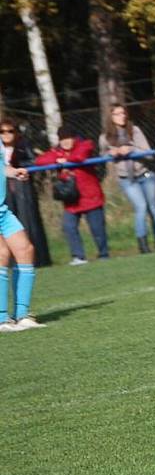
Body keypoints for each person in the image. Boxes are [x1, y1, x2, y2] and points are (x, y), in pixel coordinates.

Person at [36, 127, 109, 265]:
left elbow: (80, 156)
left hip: (91, 196)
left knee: (97, 228)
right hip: (71, 200)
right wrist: (59, 160)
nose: (65, 142)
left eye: (68, 138)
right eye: (62, 139)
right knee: (69, 227)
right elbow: (40, 161)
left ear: (74, 138)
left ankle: (103, 254)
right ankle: (78, 256)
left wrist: (65, 160)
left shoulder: (85, 144)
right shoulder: (57, 152)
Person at [99, 104, 155, 254]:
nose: (121, 116)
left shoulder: (134, 131)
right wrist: (112, 153)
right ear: (111, 117)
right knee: (140, 207)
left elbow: (148, 152)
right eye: (117, 114)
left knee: (153, 208)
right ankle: (143, 245)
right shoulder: (105, 137)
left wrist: (131, 149)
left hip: (145, 174)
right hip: (126, 178)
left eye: (123, 113)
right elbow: (102, 156)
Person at [1, 119, 51, 266]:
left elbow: (32, 161)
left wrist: (17, 168)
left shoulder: (23, 145)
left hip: (22, 188)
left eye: (10, 131)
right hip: (4, 192)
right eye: (2, 132)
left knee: (27, 223)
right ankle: (11, 262)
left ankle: (37, 260)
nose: (6, 134)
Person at [0, 162, 44, 332]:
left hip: (2, 211)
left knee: (25, 250)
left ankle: (22, 315)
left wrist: (13, 172)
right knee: (2, 254)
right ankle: (2, 319)